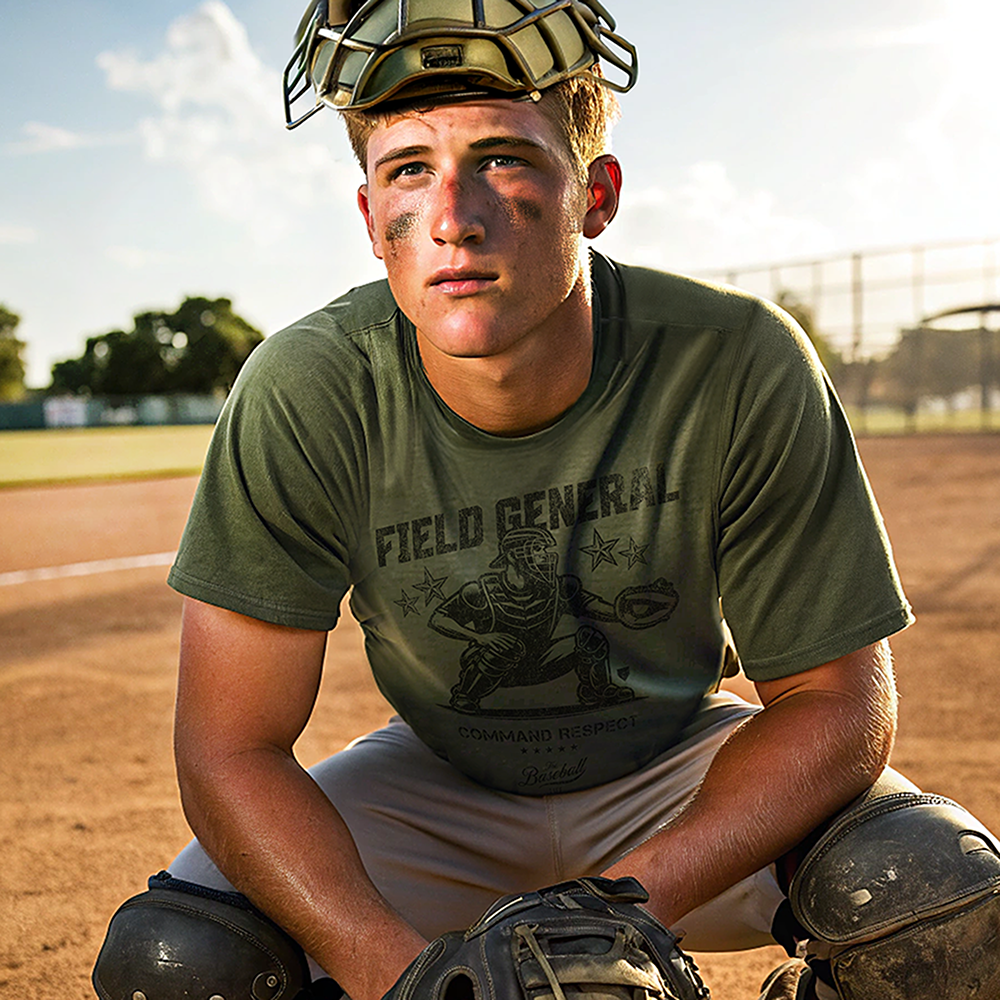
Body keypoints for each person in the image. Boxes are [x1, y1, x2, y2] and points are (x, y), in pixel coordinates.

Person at [92, 3, 1000, 1000]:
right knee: (180, 961)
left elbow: (837, 705)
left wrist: (624, 902)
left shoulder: (735, 359)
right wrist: (405, 979)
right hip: (442, 781)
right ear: (369, 221)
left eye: (502, 160)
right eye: (409, 170)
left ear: (595, 194)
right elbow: (229, 749)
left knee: (934, 896)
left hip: (674, 766)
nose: (452, 216)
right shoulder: (306, 386)